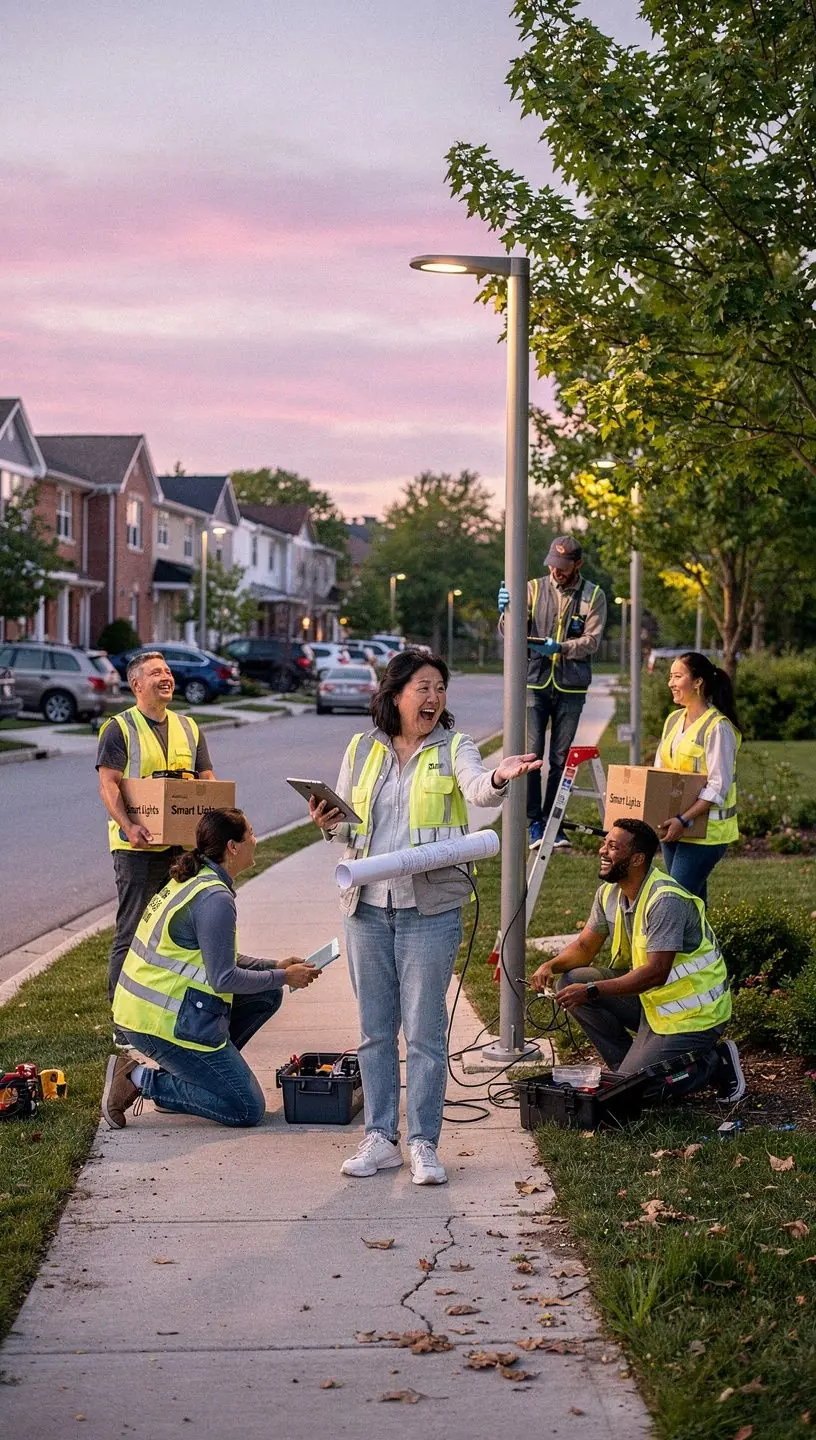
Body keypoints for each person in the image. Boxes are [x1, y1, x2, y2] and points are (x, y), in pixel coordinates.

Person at [310, 648, 541, 1186]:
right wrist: (327, 822)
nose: (433, 698)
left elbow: (479, 789)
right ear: (396, 695)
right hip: (365, 907)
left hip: (429, 910)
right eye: (423, 688)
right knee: (373, 1032)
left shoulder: (455, 746)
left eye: (440, 688)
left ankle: (424, 1144)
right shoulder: (363, 749)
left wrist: (502, 777)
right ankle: (380, 1137)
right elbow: (346, 829)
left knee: (425, 1034)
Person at [102, 808, 321, 1129]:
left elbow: (218, 958)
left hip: (156, 1013)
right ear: (233, 846)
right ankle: (136, 1078)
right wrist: (285, 977)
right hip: (158, 1024)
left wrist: (273, 967)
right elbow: (223, 978)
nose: (255, 840)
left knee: (268, 993)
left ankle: (193, 1078)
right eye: (251, 834)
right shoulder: (214, 898)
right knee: (246, 1108)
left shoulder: (196, 880)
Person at [529, 818, 745, 1100]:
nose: (602, 851)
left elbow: (656, 973)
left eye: (613, 847)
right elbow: (584, 946)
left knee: (636, 1093)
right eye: (604, 844)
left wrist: (593, 990)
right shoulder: (609, 892)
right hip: (653, 1004)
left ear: (637, 859)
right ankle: (626, 1072)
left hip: (692, 1017)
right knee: (572, 979)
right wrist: (551, 966)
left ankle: (714, 1063)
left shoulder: (665, 900)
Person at [96, 650, 216, 1042]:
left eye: (167, 672)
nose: (166, 677)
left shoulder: (189, 727)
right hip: (137, 848)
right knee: (132, 931)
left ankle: (170, 1010)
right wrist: (129, 826)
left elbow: (205, 779)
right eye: (155, 673)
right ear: (136, 685)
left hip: (182, 848)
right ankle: (123, 1024)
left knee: (182, 933)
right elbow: (109, 784)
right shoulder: (119, 728)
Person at [498, 535, 607, 851]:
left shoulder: (593, 595)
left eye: (563, 567)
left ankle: (552, 823)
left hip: (571, 686)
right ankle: (534, 822)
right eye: (553, 566)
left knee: (560, 759)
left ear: (577, 564)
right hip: (535, 682)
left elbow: (593, 641)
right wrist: (505, 613)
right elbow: (511, 633)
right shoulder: (532, 589)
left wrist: (560, 647)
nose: (556, 572)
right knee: (532, 755)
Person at [653, 652, 742, 903]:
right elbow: (661, 772)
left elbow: (718, 786)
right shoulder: (673, 720)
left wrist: (684, 818)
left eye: (677, 676)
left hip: (707, 833)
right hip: (673, 828)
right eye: (670, 676)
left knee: (674, 900)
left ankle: (674, 944)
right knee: (692, 904)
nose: (671, 682)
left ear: (697, 682)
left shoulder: (718, 728)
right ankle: (705, 944)